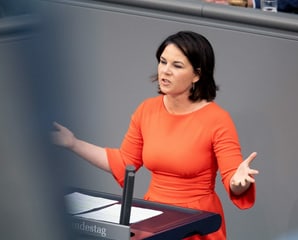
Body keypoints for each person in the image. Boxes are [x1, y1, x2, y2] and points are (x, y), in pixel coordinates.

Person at [51, 31, 259, 240]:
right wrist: (72, 143)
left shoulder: (217, 119)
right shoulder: (147, 109)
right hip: (153, 216)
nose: (165, 71)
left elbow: (234, 176)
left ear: (197, 74)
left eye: (177, 66)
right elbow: (124, 161)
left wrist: (239, 183)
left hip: (196, 222)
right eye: (163, 62)